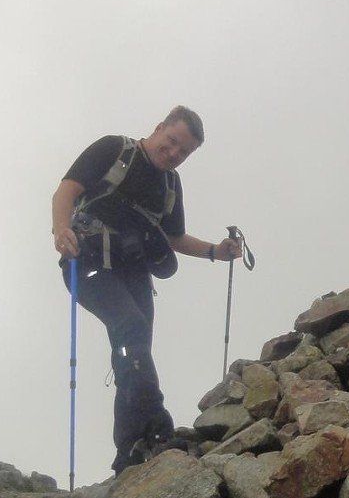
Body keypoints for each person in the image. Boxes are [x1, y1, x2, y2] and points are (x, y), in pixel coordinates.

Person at [51, 106, 242, 475]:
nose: (174, 153)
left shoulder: (170, 185)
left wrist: (216, 252)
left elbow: (174, 238)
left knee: (133, 351)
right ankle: (156, 427)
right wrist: (61, 230)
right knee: (131, 329)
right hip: (88, 263)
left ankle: (129, 454)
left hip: (134, 273)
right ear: (158, 128)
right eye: (172, 141)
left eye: (184, 152)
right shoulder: (115, 150)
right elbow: (66, 191)